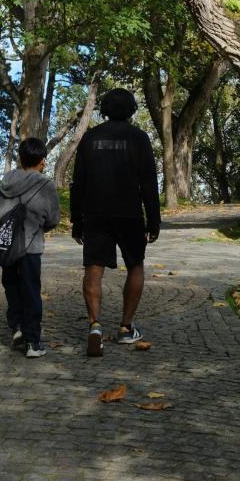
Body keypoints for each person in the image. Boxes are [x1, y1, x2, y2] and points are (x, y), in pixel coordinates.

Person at [70, 88, 161, 357]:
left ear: (105, 109)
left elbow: (78, 183)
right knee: (135, 265)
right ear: (132, 110)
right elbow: (148, 183)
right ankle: (125, 327)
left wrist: (77, 220)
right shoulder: (139, 138)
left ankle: (95, 325)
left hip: (95, 214)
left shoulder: (90, 137)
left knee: (94, 268)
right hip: (130, 213)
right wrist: (153, 220)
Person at [0, 136, 59, 359]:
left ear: (20, 159)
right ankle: (33, 341)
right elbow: (52, 219)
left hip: (7, 246)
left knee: (12, 287)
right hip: (31, 247)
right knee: (30, 291)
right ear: (41, 160)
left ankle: (17, 327)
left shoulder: (6, 181)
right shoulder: (45, 185)